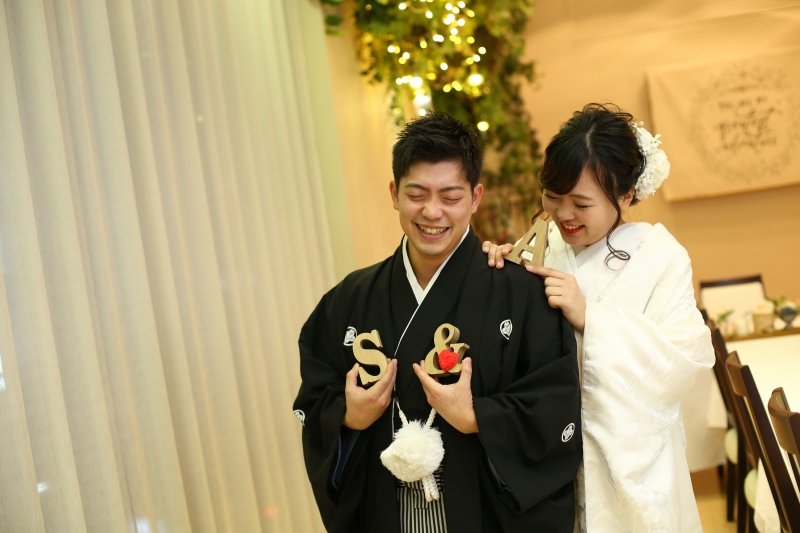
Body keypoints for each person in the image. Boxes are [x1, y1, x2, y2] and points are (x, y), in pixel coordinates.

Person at [293, 112, 582, 533]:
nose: (432, 212)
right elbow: (315, 398)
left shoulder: (523, 295)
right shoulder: (349, 299)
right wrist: (348, 415)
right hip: (386, 514)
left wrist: (478, 416)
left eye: (450, 196)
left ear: (475, 197)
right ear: (394, 193)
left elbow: (554, 408)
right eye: (416, 194)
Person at [484, 103, 714, 532]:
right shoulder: (538, 248)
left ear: (625, 196)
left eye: (581, 203)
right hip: (549, 464)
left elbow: (685, 358)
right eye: (553, 197)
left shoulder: (661, 258)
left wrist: (592, 318)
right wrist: (498, 277)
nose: (563, 214)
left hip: (632, 469)